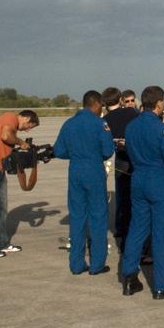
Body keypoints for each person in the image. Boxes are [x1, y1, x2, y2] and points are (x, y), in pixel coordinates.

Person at [119, 86, 164, 299]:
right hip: (158, 180)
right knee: (161, 233)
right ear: (159, 103)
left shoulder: (131, 126)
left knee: (137, 228)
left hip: (138, 178)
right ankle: (162, 285)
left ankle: (129, 277)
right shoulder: (160, 128)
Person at [53, 91, 114, 275]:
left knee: (77, 217)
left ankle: (76, 264)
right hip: (94, 169)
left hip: (76, 170)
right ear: (96, 104)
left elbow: (59, 151)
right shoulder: (100, 124)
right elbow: (108, 150)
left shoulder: (69, 123)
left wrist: (76, 154)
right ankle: (97, 264)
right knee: (98, 216)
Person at [0, 108, 39, 259]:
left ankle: (1, 242)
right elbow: (5, 136)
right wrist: (21, 142)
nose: (27, 130)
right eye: (30, 127)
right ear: (26, 119)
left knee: (1, 209)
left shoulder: (12, 128)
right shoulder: (10, 117)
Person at [103, 88, 140, 255]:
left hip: (120, 159)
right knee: (135, 198)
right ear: (120, 99)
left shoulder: (105, 120)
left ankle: (121, 230)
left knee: (122, 195)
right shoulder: (132, 114)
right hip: (134, 158)